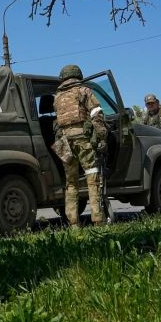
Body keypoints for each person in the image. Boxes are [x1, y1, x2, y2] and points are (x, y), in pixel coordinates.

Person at [52, 64, 108, 226]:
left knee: (70, 183)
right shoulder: (83, 91)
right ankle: (98, 220)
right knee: (93, 178)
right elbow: (97, 115)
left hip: (63, 142)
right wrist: (102, 137)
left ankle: (73, 223)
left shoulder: (57, 97)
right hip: (82, 139)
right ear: (78, 76)